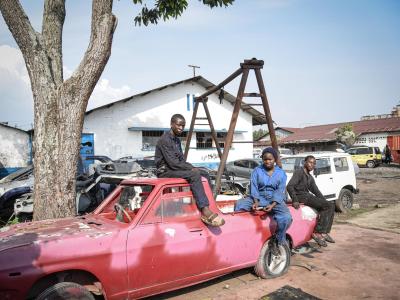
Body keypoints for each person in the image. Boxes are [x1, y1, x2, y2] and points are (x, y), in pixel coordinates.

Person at [155, 114, 225, 227]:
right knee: (194, 174)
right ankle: (204, 209)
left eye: (183, 126)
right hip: (165, 171)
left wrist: (192, 167)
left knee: (204, 173)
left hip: (174, 168)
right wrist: (191, 168)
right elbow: (173, 163)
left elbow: (181, 160)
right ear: (171, 124)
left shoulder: (176, 140)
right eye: (178, 125)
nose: (181, 128)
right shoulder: (165, 140)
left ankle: (209, 203)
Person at [234, 147, 292, 255]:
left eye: (270, 159)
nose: (267, 161)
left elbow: (280, 190)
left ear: (275, 159)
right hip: (259, 197)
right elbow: (254, 187)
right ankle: (242, 235)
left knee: (286, 218)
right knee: (239, 204)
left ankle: (277, 239)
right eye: (265, 159)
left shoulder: (281, 173)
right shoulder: (257, 171)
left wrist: (273, 205)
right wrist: (255, 201)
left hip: (274, 198)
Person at [286, 155, 335, 247]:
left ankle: (324, 233)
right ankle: (317, 232)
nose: (312, 165)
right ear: (305, 162)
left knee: (331, 205)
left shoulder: (309, 177)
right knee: (328, 205)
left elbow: (316, 191)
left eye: (314, 163)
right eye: (310, 162)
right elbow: (289, 186)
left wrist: (324, 201)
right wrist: (295, 199)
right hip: (301, 197)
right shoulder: (299, 172)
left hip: (307, 196)